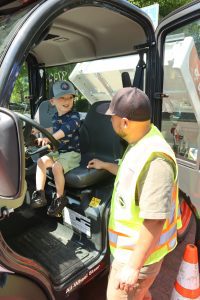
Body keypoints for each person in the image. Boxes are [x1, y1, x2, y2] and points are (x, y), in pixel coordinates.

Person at [87, 87, 182, 300]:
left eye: (112, 117)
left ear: (125, 123)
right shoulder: (141, 140)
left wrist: (133, 267)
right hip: (129, 253)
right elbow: (130, 174)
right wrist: (105, 165)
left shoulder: (156, 161)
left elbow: (155, 221)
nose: (110, 121)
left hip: (138, 257)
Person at [31, 80, 81, 217]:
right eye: (62, 98)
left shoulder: (74, 117)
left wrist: (49, 138)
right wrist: (40, 132)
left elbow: (64, 131)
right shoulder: (55, 116)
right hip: (59, 152)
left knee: (56, 167)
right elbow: (54, 129)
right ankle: (39, 194)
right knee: (41, 161)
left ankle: (59, 198)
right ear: (53, 102)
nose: (67, 101)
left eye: (70, 97)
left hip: (72, 154)